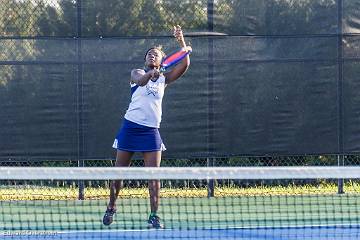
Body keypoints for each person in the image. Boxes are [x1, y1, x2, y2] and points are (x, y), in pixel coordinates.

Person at [103, 25, 191, 229]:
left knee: (154, 177)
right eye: (149, 54)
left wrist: (182, 42)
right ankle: (111, 207)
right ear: (146, 60)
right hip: (130, 128)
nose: (152, 55)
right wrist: (149, 74)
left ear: (162, 61)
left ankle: (153, 216)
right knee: (119, 174)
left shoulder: (164, 79)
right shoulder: (137, 73)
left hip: (151, 132)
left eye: (156, 54)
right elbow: (141, 81)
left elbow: (184, 64)